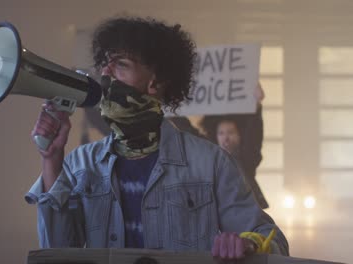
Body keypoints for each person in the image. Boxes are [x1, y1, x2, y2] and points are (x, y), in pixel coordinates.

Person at [26, 16, 288, 260]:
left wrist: (248, 244)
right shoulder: (79, 164)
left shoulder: (212, 163)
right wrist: (51, 159)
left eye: (121, 64)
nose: (106, 75)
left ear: (156, 81)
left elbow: (275, 243)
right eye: (104, 65)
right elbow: (56, 254)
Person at [200, 83, 269, 209]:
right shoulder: (209, 158)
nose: (226, 137)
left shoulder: (247, 158)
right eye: (221, 133)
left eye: (231, 132)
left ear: (239, 135)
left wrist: (257, 105)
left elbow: (254, 133)